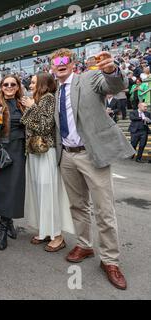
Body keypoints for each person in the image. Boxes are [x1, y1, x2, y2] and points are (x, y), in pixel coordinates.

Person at [50, 48, 134, 290]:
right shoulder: (57, 92)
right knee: (77, 205)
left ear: (73, 63)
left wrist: (111, 70)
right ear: (52, 68)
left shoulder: (89, 77)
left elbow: (114, 84)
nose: (61, 64)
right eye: (56, 62)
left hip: (91, 154)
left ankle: (110, 260)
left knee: (104, 209)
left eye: (65, 60)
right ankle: (85, 244)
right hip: (67, 155)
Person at [20, 72, 74, 252]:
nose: (30, 85)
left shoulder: (49, 98)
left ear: (42, 84)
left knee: (49, 193)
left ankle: (58, 235)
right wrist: (32, 107)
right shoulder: (39, 100)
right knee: (39, 193)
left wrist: (31, 108)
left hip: (46, 152)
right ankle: (45, 231)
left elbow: (44, 127)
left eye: (33, 82)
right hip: (35, 152)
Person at [0, 74, 26, 251]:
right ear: (1, 87)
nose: (9, 86)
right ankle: (3, 228)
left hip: (20, 150)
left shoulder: (24, 103)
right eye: (6, 84)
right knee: (3, 189)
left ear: (18, 86)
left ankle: (7, 222)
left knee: (14, 188)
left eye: (13, 84)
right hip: (2, 150)